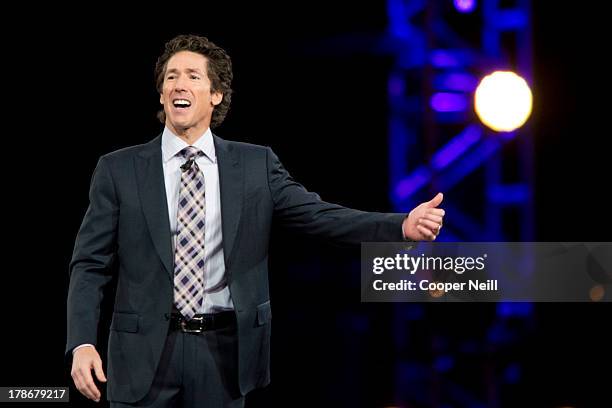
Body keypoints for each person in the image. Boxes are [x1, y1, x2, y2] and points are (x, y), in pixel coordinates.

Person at [66, 34, 445, 408]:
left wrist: (400, 227)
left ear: (216, 95)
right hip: (141, 354)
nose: (179, 84)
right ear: (162, 94)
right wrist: (82, 342)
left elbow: (319, 216)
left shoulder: (254, 166)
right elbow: (90, 264)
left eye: (193, 76)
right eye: (171, 76)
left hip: (223, 355)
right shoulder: (118, 169)